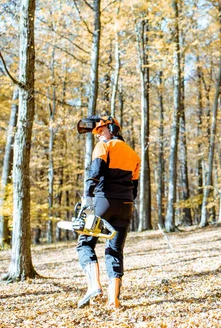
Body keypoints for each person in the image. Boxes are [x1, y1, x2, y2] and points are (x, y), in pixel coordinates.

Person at [76, 115, 140, 310]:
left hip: (103, 201)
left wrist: (88, 196)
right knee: (115, 250)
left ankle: (94, 285)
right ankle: (114, 300)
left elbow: (95, 173)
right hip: (126, 203)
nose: (98, 136)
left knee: (85, 243)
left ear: (112, 129)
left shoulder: (104, 147)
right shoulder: (133, 154)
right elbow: (135, 187)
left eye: (101, 131)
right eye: (96, 133)